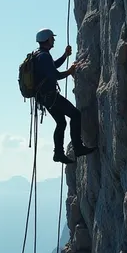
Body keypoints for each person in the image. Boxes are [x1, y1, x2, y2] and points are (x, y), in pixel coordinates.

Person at [33, 28, 96, 164]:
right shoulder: (43, 56)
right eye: (52, 38)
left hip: (45, 98)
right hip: (50, 97)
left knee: (61, 123)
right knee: (75, 115)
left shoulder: (39, 55)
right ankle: (78, 148)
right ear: (47, 40)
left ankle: (59, 154)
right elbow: (55, 75)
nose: (54, 40)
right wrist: (70, 71)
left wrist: (64, 56)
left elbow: (52, 66)